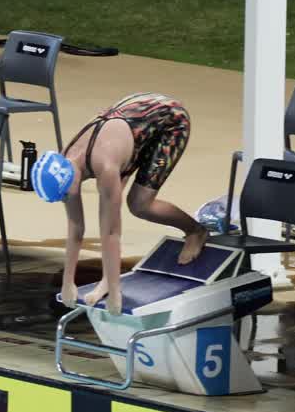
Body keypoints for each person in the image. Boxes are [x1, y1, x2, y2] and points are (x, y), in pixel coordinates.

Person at [33, 92, 209, 316]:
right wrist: (68, 282)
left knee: (139, 204)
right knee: (115, 194)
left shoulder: (104, 166)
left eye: (67, 193)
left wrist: (116, 292)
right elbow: (76, 228)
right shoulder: (64, 164)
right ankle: (107, 280)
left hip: (169, 121)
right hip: (128, 131)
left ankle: (196, 231)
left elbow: (112, 233)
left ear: (71, 178)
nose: (70, 197)